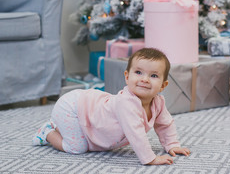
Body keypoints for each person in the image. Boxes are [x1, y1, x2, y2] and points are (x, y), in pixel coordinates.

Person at [32, 47, 190, 165]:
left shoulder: (158, 102)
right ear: (127, 77)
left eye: (153, 75)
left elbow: (165, 124)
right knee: (77, 147)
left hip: (90, 111)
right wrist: (150, 158)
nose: (145, 79)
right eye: (138, 72)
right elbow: (136, 133)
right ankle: (48, 131)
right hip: (72, 107)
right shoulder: (126, 103)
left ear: (163, 85)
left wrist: (172, 145)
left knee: (91, 142)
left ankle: (61, 127)